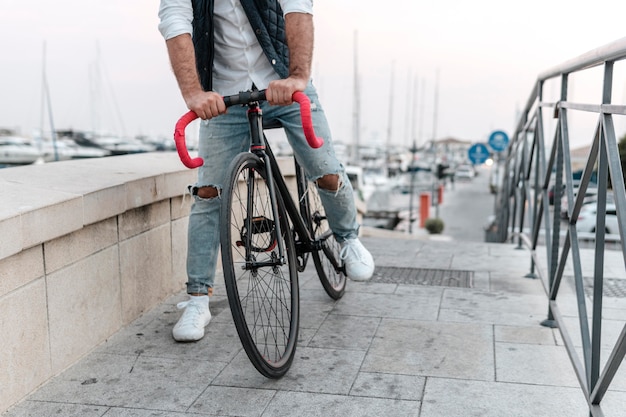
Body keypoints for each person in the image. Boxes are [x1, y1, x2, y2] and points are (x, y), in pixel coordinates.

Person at [158, 0, 375, 342]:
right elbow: (175, 24)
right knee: (208, 192)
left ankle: (347, 238)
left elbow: (297, 8)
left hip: (285, 84)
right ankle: (198, 299)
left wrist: (299, 76)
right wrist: (194, 94)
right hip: (224, 96)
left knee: (324, 168)